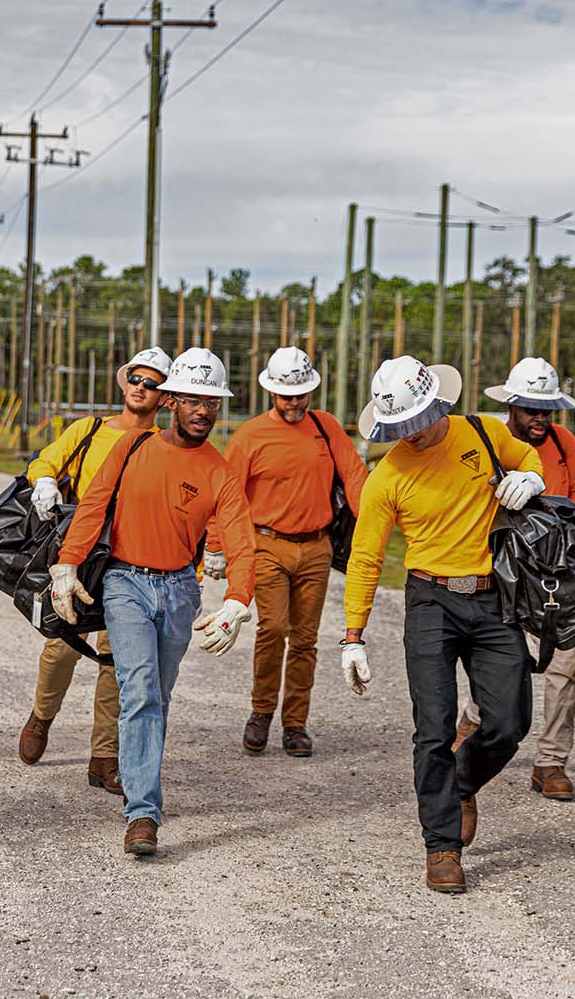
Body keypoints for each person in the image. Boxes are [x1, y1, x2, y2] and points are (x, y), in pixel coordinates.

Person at [340, 355, 545, 894]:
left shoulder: (482, 431)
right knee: (433, 726)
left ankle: (460, 783)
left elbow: (526, 454)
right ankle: (443, 847)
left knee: (509, 723)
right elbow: (365, 557)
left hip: (494, 596)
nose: (416, 434)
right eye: (403, 428)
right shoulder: (387, 478)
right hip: (430, 600)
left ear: (440, 404)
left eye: (422, 420)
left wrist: (530, 476)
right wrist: (353, 637)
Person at [51, 347, 256, 857]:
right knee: (139, 689)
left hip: (181, 590)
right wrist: (66, 565)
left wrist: (236, 601)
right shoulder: (132, 448)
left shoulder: (219, 471)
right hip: (125, 583)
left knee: (158, 697)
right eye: (193, 400)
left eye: (211, 402)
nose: (203, 411)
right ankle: (143, 812)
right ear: (170, 402)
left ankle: (137, 773)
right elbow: (94, 504)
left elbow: (240, 538)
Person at [17, 346, 172, 795]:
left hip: (131, 559)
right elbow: (44, 461)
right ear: (125, 384)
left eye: (154, 384)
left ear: (165, 397)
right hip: (81, 555)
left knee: (115, 658)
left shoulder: (163, 445)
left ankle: (104, 758)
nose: (142, 388)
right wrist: (44, 480)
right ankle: (42, 716)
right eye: (137, 380)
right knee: (62, 645)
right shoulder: (89, 430)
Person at [203, 347, 367, 757]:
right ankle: (261, 712)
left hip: (317, 547)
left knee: (306, 639)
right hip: (267, 545)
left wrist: (375, 524)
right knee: (272, 628)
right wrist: (216, 547)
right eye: (285, 395)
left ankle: (296, 724)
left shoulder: (326, 428)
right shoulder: (250, 437)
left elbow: (356, 480)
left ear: (310, 391)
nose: (293, 403)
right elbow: (225, 496)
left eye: (300, 394)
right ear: (271, 392)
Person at [452, 358, 575, 800]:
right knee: (499, 663)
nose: (540, 418)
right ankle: (470, 728)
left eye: (547, 410)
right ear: (511, 406)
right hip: (503, 572)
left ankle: (551, 762)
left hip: (554, 572)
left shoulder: (562, 440)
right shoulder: (486, 440)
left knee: (565, 665)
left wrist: (573, 528)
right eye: (532, 409)